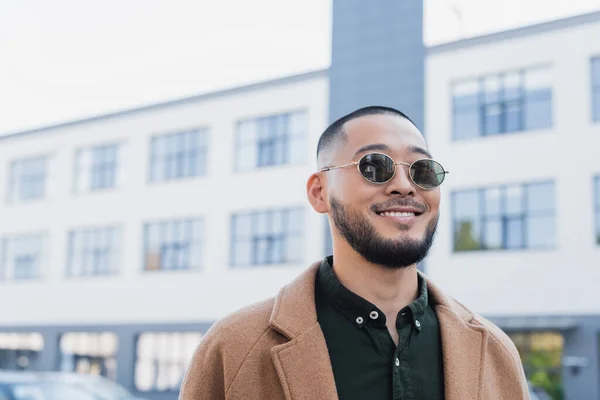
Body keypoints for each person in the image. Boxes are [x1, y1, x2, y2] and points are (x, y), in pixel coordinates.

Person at [179, 106, 530, 400]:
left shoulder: (495, 352)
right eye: (375, 166)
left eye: (422, 170)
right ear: (319, 192)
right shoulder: (233, 349)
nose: (404, 186)